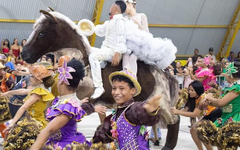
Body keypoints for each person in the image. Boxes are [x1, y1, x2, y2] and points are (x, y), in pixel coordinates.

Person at [30, 59, 107, 149]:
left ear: (62, 80)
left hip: (65, 146)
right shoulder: (65, 101)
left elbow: (48, 130)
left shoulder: (68, 106)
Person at [92, 68, 162, 149]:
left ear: (132, 90)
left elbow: (139, 111)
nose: (117, 92)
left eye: (122, 88)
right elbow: (103, 134)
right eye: (114, 88)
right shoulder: (114, 116)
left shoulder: (132, 110)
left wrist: (149, 111)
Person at [197, 62, 240, 149]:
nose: (224, 74)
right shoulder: (232, 87)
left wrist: (209, 97)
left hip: (234, 118)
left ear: (230, 75)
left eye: (226, 72)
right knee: (221, 143)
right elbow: (219, 103)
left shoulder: (237, 87)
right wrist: (209, 102)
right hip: (226, 117)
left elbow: (221, 102)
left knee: (226, 144)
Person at [89, 1, 127, 99]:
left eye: (111, 6)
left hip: (112, 52)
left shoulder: (120, 21)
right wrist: (89, 27)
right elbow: (100, 32)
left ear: (115, 8)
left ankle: (99, 86)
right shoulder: (111, 21)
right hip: (106, 50)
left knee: (93, 56)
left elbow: (121, 38)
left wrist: (117, 53)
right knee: (87, 49)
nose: (109, 8)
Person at [171, 81, 222, 150]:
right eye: (189, 90)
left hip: (214, 114)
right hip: (207, 116)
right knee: (193, 130)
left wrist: (177, 112)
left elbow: (194, 114)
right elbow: (185, 110)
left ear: (198, 90)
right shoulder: (193, 98)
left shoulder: (202, 99)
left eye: (192, 90)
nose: (190, 92)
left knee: (201, 133)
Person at [122, 0, 149, 76]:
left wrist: (138, 24)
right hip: (128, 45)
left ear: (130, 5)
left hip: (140, 44)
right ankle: (125, 74)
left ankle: (133, 77)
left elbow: (147, 32)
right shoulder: (125, 18)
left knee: (133, 57)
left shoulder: (141, 16)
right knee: (125, 55)